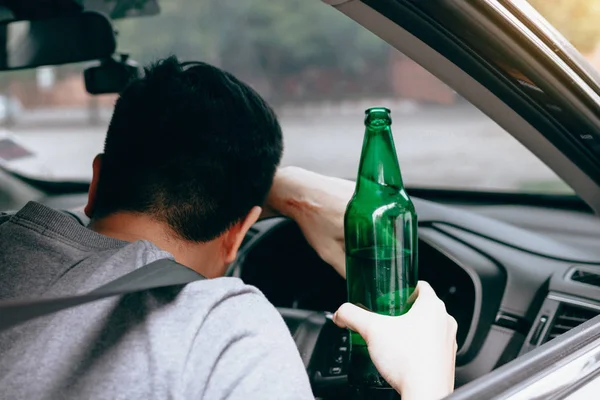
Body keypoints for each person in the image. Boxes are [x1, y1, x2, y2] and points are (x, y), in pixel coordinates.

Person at [0, 56, 456, 400]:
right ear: (239, 234)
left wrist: (277, 193)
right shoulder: (224, 328)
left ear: (96, 180)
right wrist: (425, 380)